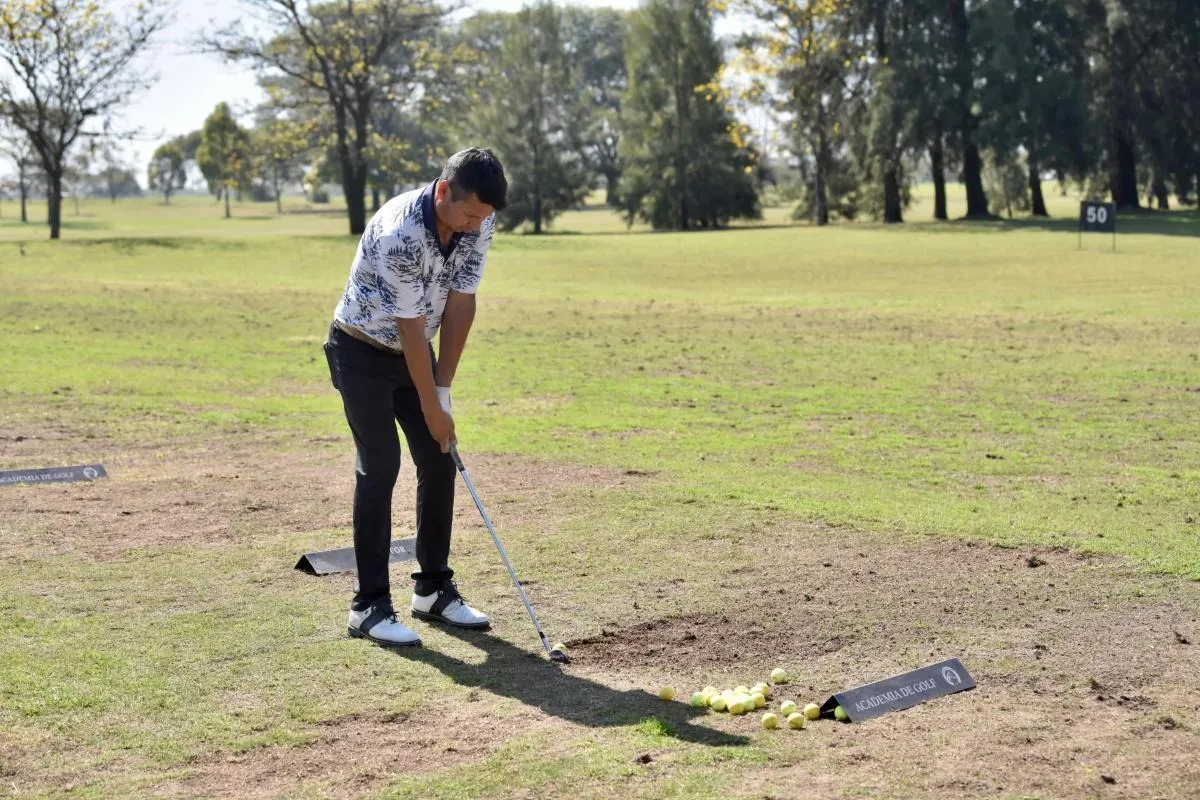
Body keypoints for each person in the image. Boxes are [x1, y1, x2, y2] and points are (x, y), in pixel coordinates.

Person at [323, 147, 508, 647]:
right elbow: (408, 326)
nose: (475, 227)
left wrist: (442, 392)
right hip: (361, 349)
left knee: (438, 455)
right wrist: (430, 404)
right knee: (380, 465)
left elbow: (462, 303)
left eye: (484, 218)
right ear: (444, 191)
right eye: (469, 214)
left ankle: (432, 590)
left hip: (413, 349)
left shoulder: (478, 221)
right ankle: (368, 606)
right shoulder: (399, 231)